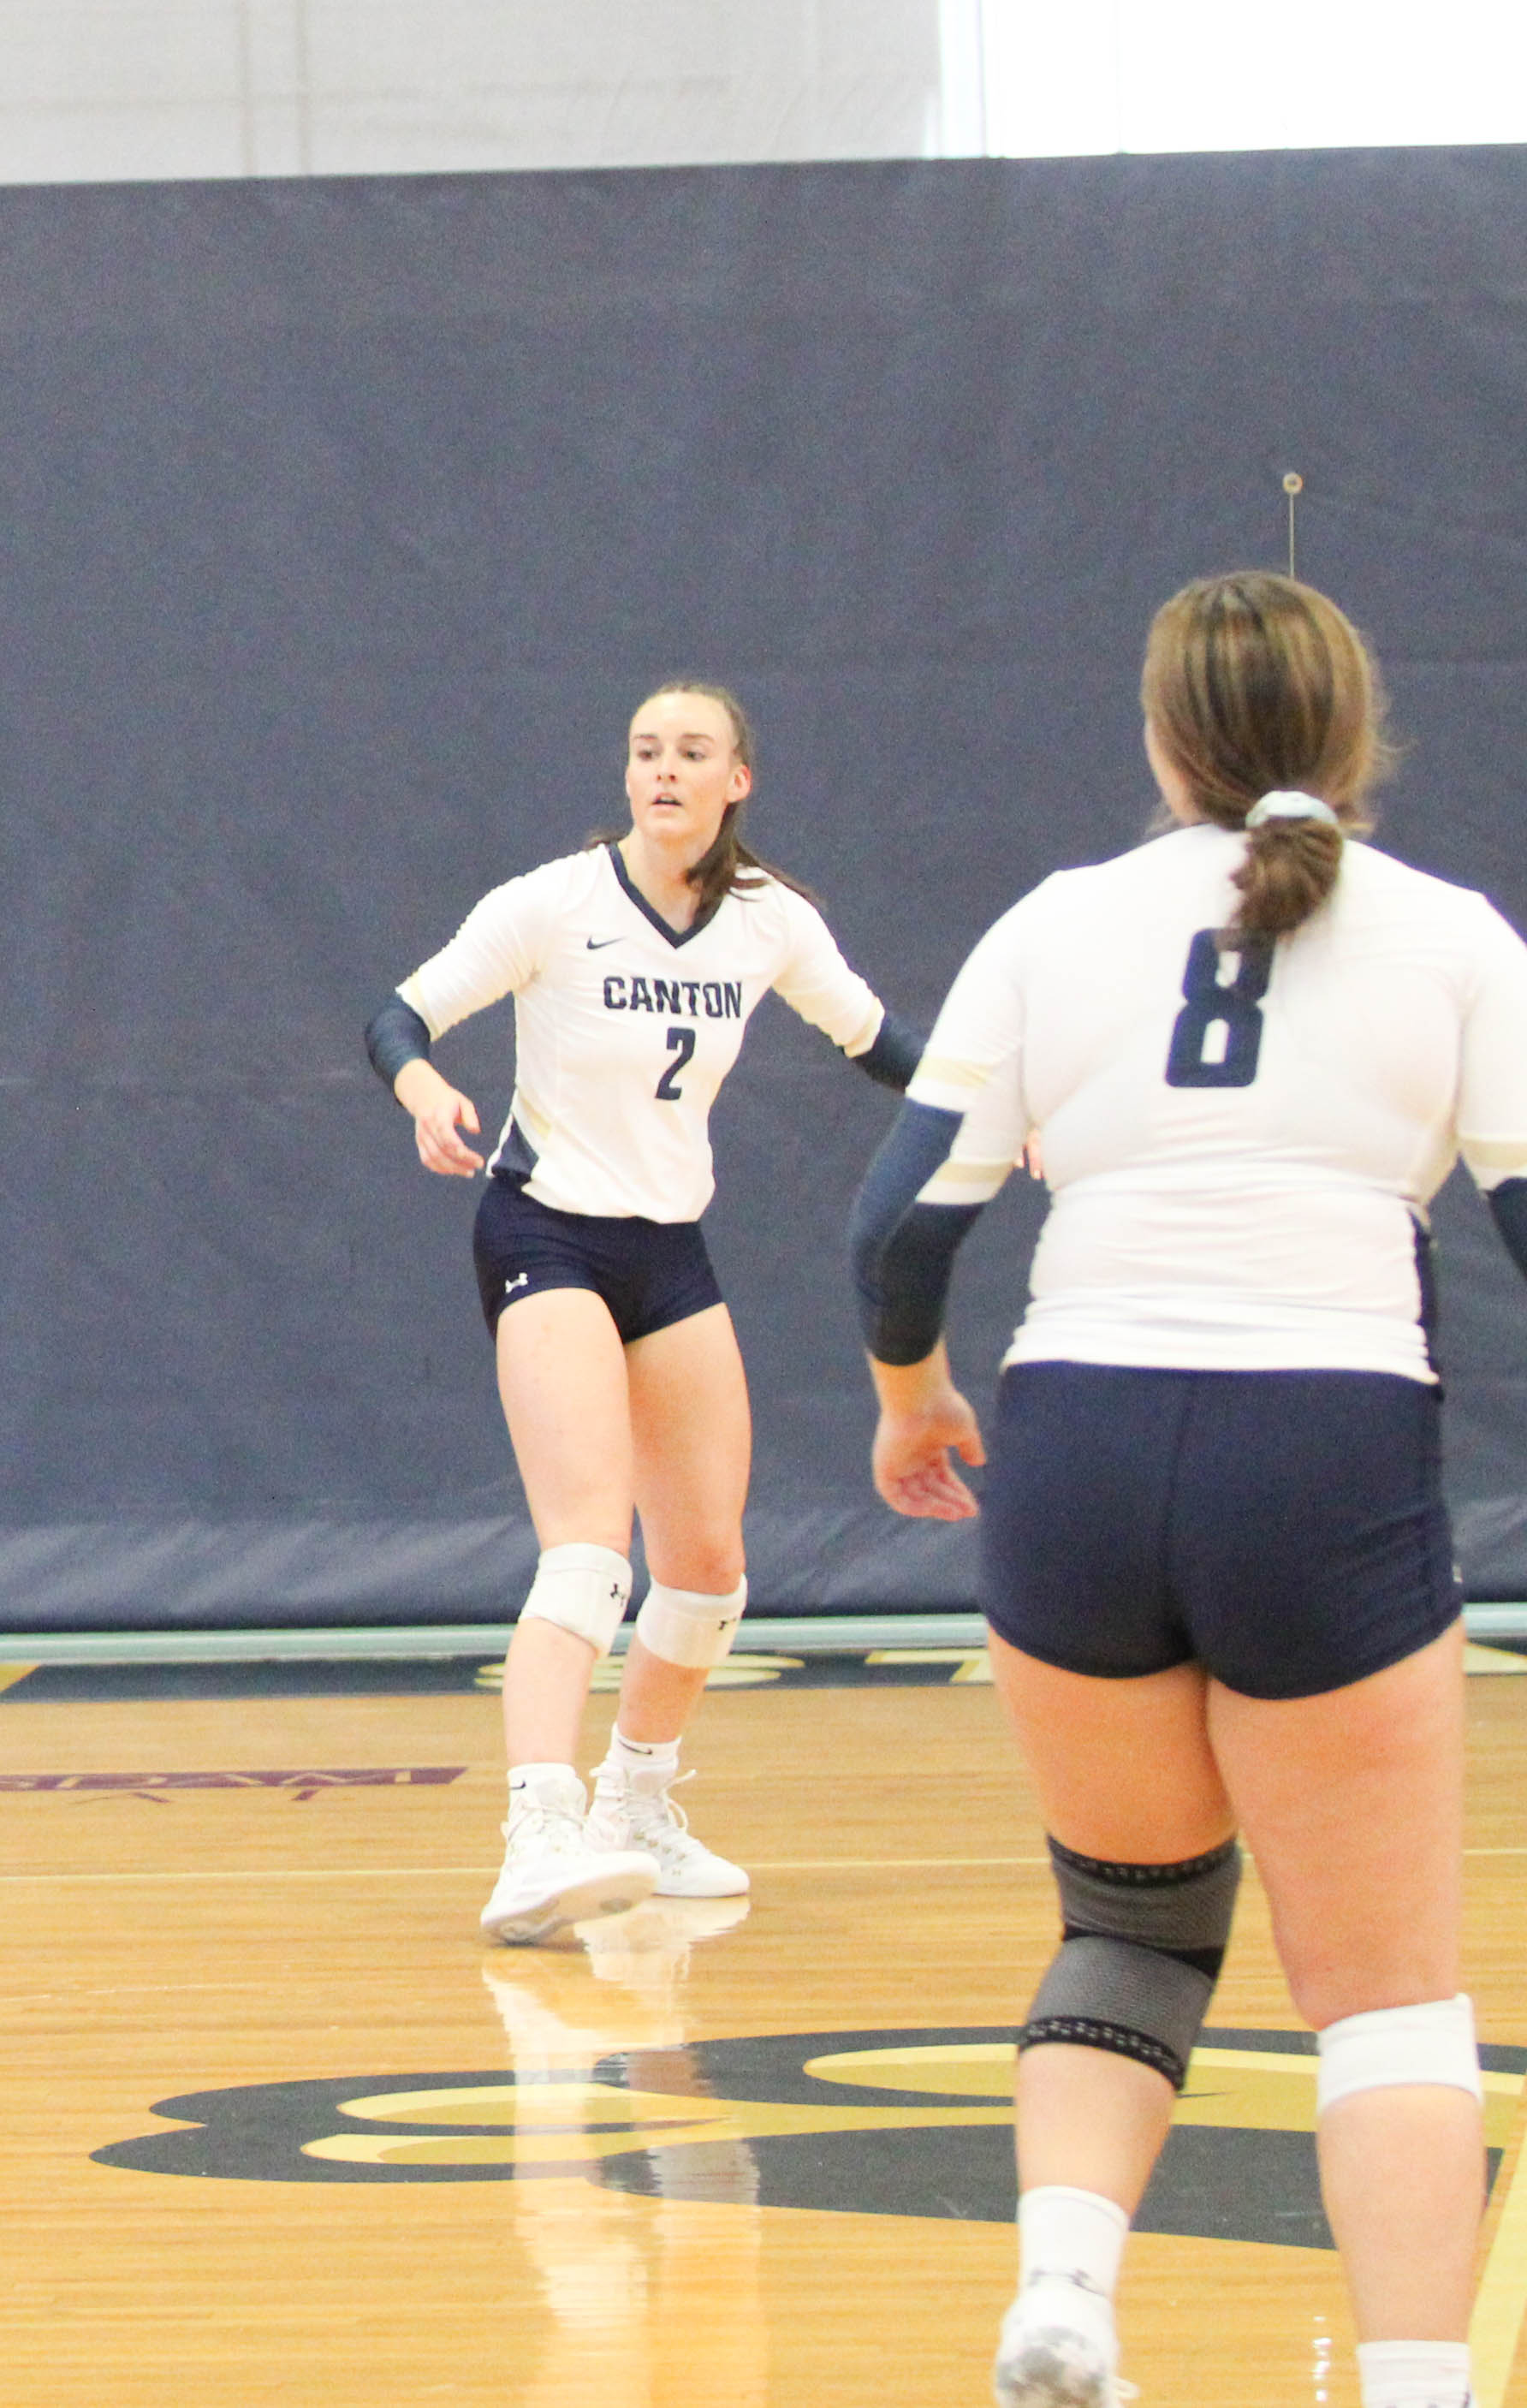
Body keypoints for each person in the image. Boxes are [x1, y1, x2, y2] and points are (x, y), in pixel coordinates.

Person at [850, 572, 1510, 2408]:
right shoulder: (1451, 936)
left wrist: (912, 1401)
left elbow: (896, 1225)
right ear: (1356, 736)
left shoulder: (1056, 926)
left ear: (1161, 742)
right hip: (1324, 1451)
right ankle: (1411, 2387)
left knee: (1129, 1922)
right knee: (1382, 1993)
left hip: (1074, 1442)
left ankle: (1062, 2295)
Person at [365, 681, 919, 1943]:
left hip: (667, 1249)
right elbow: (399, 1012)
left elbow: (877, 1039)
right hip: (544, 1225)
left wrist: (999, 1111)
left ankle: (635, 1801)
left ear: (739, 781)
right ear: (626, 776)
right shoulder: (552, 904)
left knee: (711, 1564)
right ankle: (535, 1835)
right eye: (645, 751)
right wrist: (421, 1086)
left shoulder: (768, 921)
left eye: (693, 752)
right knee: (587, 1547)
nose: (664, 770)